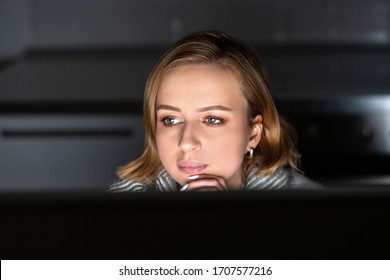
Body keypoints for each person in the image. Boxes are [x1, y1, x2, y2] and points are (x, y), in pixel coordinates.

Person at [108, 31, 321, 192]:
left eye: (212, 119)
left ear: (253, 134)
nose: (186, 142)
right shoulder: (117, 211)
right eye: (170, 120)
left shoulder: (309, 209)